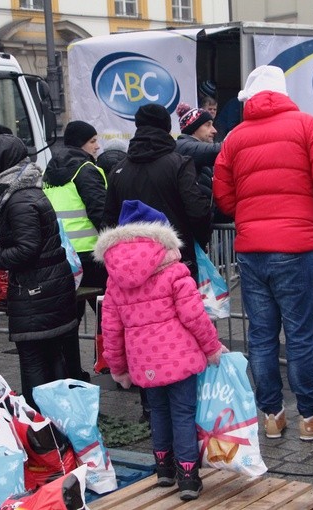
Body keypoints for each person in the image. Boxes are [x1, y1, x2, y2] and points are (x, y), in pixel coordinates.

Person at [213, 65, 313, 441]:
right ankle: (311, 415)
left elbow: (224, 196)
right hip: (295, 245)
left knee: (261, 335)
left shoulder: (234, 137)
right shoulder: (307, 125)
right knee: (302, 336)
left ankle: (272, 416)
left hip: (251, 249)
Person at [93, 199, 227, 501]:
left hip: (144, 363)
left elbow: (111, 329)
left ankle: (164, 469)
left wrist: (118, 368)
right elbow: (195, 316)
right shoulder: (175, 271)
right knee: (183, 413)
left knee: (158, 413)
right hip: (180, 358)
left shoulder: (114, 279)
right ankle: (189, 477)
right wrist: (212, 347)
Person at [0, 134, 78, 409]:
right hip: (47, 287)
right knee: (52, 358)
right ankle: (59, 422)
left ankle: (40, 427)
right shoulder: (23, 191)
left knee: (35, 360)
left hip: (37, 290)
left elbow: (26, 251)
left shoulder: (19, 199)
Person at [102, 103, 212, 282]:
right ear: (167, 127)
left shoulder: (118, 170)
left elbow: (108, 219)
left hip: (131, 264)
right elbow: (197, 210)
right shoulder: (180, 164)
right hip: (175, 258)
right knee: (180, 308)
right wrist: (200, 240)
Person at [43, 120, 108, 381]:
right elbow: (99, 211)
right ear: (82, 143)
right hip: (92, 254)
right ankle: (109, 364)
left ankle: (71, 371)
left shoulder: (49, 172)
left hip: (64, 255)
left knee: (70, 318)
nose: (97, 145)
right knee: (107, 313)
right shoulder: (86, 169)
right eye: (93, 141)